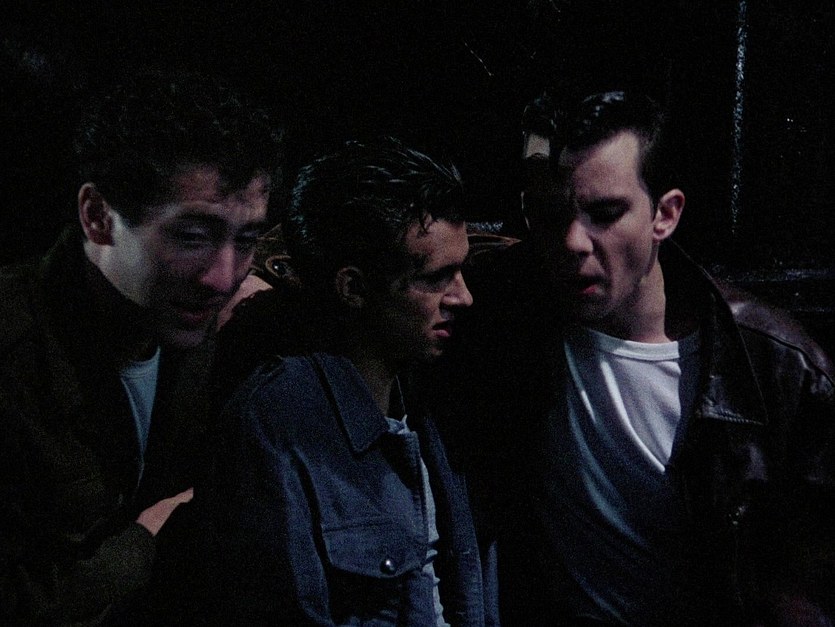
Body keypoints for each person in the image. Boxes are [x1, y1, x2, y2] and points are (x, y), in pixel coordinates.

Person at [444, 91, 835, 625]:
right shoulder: (501, 314)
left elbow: (804, 590)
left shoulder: (777, 367)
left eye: (605, 213)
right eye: (549, 214)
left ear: (665, 215)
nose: (573, 241)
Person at [0, 70, 281, 624]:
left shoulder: (192, 321)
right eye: (192, 236)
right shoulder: (15, 353)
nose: (223, 277)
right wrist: (149, 535)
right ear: (98, 217)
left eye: (246, 240)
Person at [195, 138, 491, 625]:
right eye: (437, 277)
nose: (464, 297)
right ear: (353, 287)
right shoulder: (277, 426)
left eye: (462, 270)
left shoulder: (436, 398)